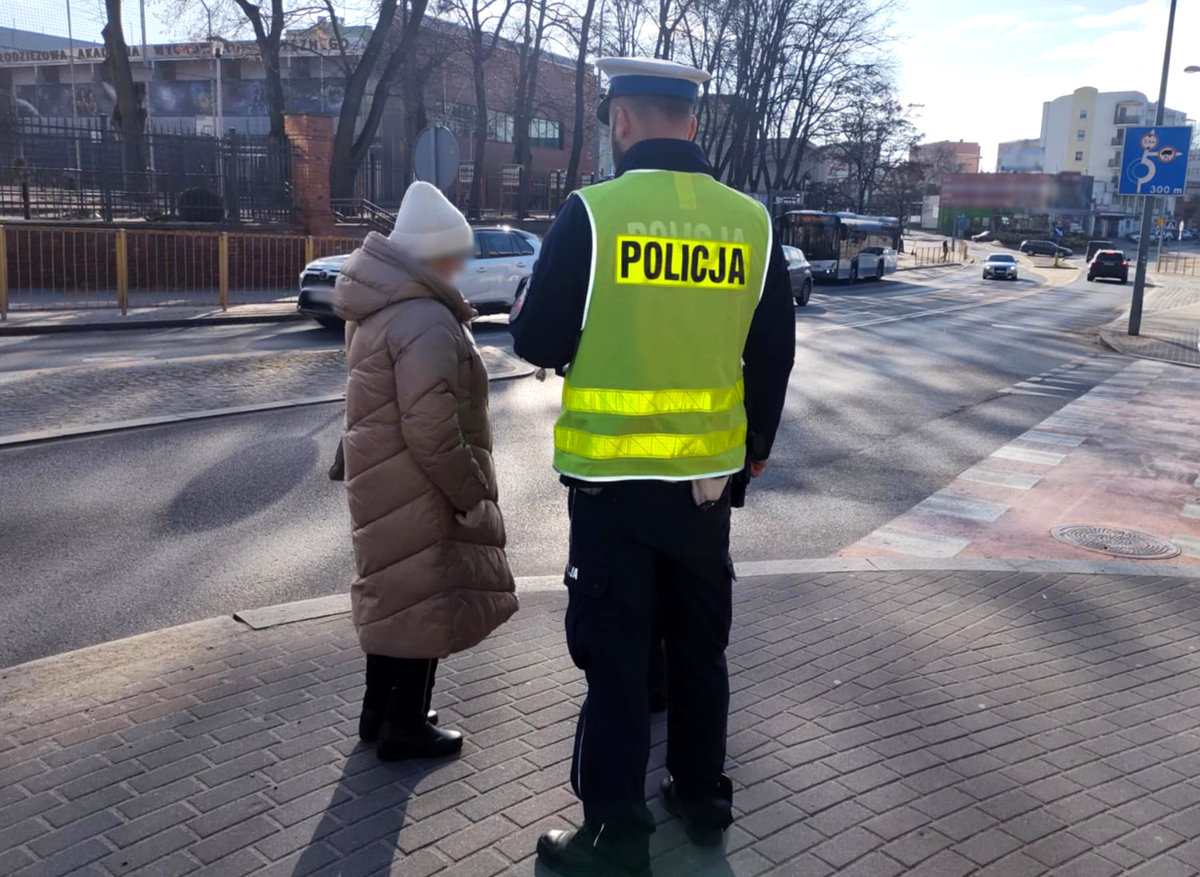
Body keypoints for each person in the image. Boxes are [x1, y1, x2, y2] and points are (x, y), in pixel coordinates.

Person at [510, 57, 794, 876]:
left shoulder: (594, 214)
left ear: (621, 122)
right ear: (693, 123)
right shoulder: (750, 222)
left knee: (618, 661)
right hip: (707, 490)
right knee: (700, 651)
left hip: (612, 494)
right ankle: (702, 795)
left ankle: (613, 836)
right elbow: (773, 348)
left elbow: (538, 342)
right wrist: (758, 448)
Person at [333, 181, 518, 761]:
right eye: (457, 254)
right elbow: (432, 426)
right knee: (423, 594)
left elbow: (369, 400)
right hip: (421, 481)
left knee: (392, 591)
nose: (464, 265)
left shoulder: (378, 308)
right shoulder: (426, 319)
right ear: (433, 253)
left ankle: (378, 711)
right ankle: (406, 725)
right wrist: (468, 492)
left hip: (379, 475)